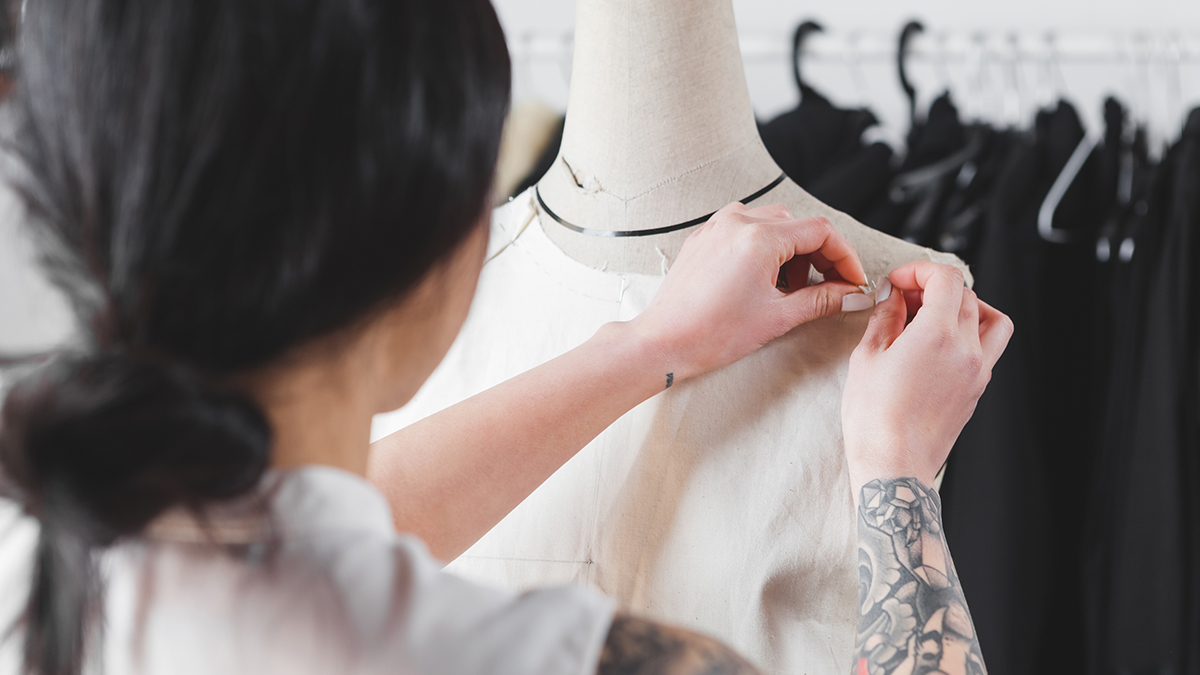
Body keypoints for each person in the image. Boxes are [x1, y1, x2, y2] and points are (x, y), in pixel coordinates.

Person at [0, 1, 1012, 674]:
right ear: (435, 247)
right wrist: (894, 476)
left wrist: (644, 343)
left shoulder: (40, 564)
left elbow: (305, 524)